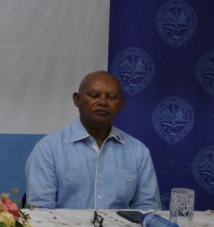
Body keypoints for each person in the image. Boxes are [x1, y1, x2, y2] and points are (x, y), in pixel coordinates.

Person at [25, 70, 161, 210]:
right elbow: (40, 210)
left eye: (111, 97)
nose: (103, 102)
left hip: (120, 226)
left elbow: (148, 209)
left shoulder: (138, 151)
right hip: (63, 225)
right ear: (77, 99)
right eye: (94, 95)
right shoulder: (48, 148)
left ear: (121, 104)